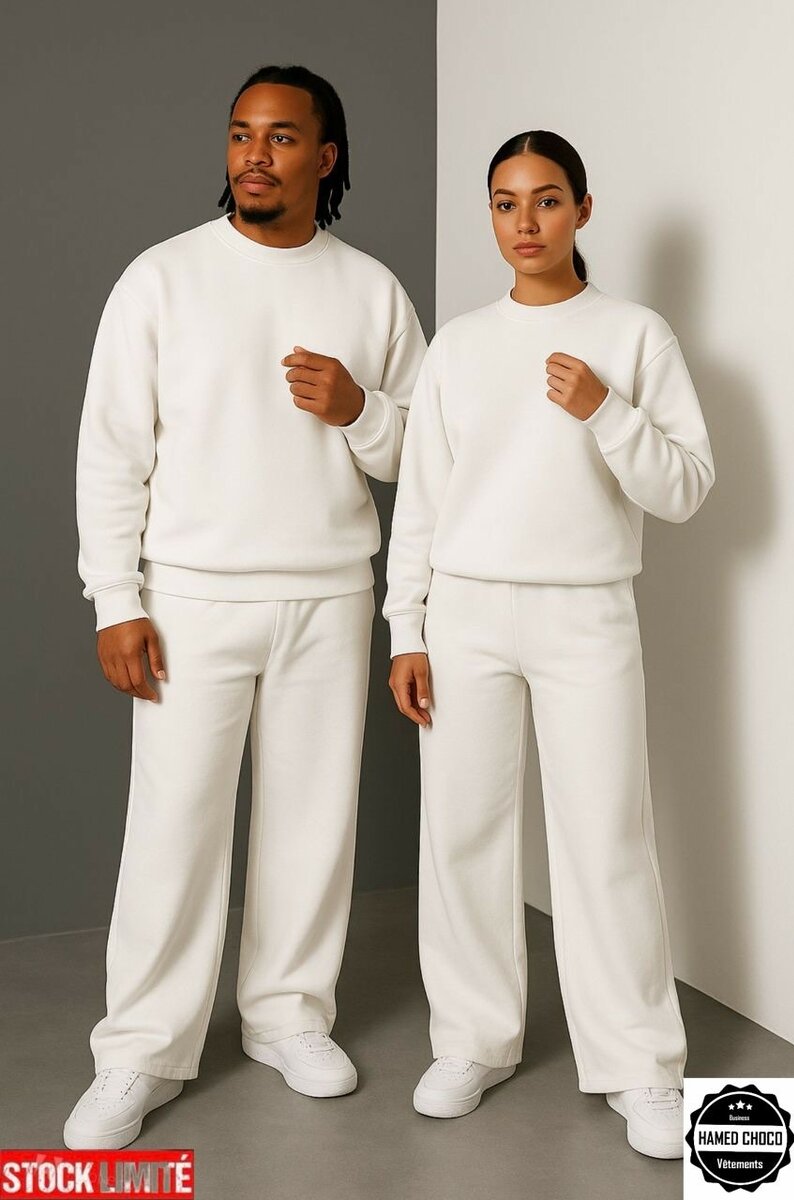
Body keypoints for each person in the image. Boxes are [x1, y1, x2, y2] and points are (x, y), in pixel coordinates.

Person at [65, 64, 427, 1150]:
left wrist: (359, 409)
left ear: (326, 156)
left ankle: (287, 1017)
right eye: (240, 134)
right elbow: (110, 451)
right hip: (189, 598)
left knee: (313, 823)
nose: (253, 156)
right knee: (173, 828)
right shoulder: (162, 278)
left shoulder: (371, 290)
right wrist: (114, 598)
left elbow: (424, 454)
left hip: (328, 592)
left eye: (279, 137)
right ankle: (140, 1050)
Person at [383, 129, 715, 1159]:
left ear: (581, 209)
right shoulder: (458, 345)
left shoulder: (634, 334)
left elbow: (686, 488)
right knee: (463, 833)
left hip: (586, 613)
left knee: (606, 836)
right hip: (467, 614)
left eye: (545, 200)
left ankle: (640, 1067)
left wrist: (605, 411)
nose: (524, 222)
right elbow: (422, 500)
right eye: (504, 202)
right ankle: (471, 1040)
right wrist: (406, 629)